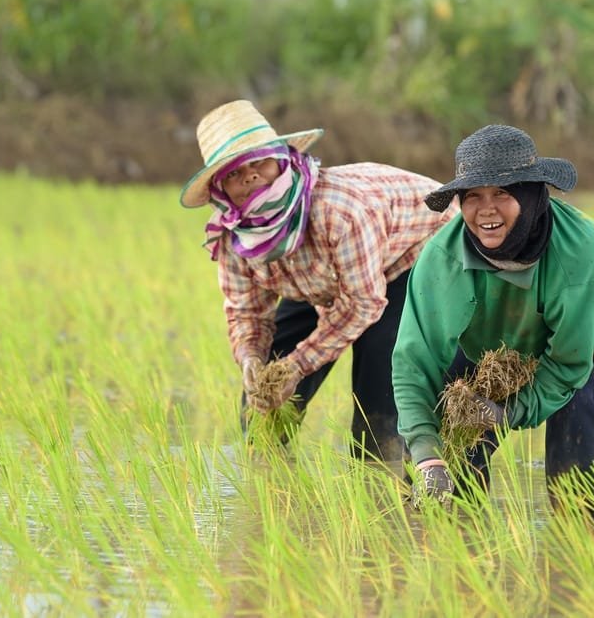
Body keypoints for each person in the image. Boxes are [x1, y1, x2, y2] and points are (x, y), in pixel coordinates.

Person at [392, 124, 594, 513]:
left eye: (503, 193)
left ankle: (587, 531)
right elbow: (414, 362)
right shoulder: (442, 259)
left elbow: (565, 368)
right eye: (472, 196)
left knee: (575, 408)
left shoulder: (584, 263)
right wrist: (426, 456)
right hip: (517, 319)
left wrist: (507, 412)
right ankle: (457, 526)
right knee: (456, 407)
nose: (486, 209)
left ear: (533, 195)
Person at [180, 99, 455, 462]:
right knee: (260, 402)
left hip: (412, 258)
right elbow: (247, 313)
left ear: (283, 161)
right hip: (320, 281)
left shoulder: (341, 211)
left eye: (258, 162)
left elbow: (364, 303)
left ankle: (389, 488)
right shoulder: (234, 238)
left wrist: (298, 365)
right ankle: (270, 487)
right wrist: (250, 358)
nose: (248, 176)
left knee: (379, 393)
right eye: (232, 173)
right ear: (219, 189)